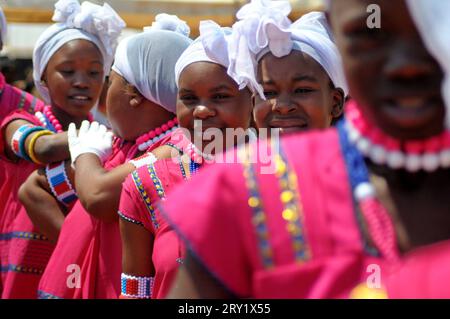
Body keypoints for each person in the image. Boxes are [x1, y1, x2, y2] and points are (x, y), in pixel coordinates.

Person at [161, 0, 450, 298]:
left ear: (335, 100)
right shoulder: (240, 192)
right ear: (336, 28)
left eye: (435, 26)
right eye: (367, 34)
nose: (406, 65)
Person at [32, 14, 192, 299]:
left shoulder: (174, 148)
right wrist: (75, 240)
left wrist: (86, 155)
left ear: (134, 94)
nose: (105, 90)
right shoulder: (121, 144)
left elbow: (97, 196)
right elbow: (33, 188)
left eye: (111, 79)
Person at [117, 20, 254, 299]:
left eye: (220, 96)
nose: (202, 110)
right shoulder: (144, 184)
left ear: (253, 99)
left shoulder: (287, 176)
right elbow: (134, 294)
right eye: (189, 98)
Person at [0, 0, 124, 298]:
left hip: (79, 266)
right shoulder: (22, 120)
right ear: (42, 75)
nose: (81, 82)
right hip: (21, 265)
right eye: (67, 71)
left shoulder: (108, 136)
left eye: (94, 73)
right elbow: (40, 148)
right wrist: (92, 142)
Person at [229, 0, 347, 136]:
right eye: (268, 93)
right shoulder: (238, 157)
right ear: (253, 104)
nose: (283, 106)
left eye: (302, 90)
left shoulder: (363, 156)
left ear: (336, 102)